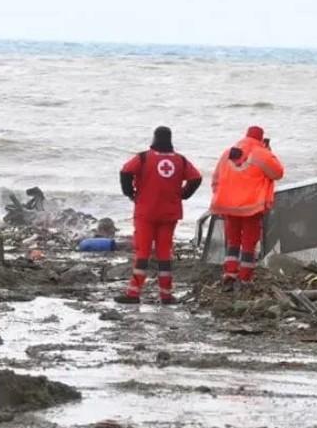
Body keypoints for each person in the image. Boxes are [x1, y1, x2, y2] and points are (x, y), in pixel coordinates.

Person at [117, 126, 202, 304]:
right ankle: (166, 294)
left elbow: (125, 172)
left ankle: (134, 293)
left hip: (146, 212)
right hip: (169, 213)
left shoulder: (144, 157)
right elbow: (196, 178)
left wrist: (130, 193)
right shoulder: (181, 160)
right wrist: (183, 194)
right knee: (165, 253)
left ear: (154, 138)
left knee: (143, 251)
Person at [210, 126, 284, 289]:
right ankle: (244, 278)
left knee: (233, 241)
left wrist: (219, 200)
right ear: (260, 138)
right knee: (249, 243)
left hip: (229, 205)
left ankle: (230, 273)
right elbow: (277, 173)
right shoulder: (261, 154)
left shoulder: (227, 153)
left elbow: (215, 179)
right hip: (251, 206)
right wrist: (269, 152)